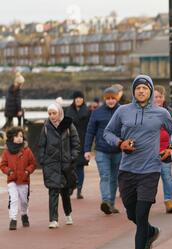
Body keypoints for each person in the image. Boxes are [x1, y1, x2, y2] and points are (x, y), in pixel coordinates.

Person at [104, 75, 172, 249]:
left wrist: (170, 147)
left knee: (142, 214)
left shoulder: (161, 113)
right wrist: (120, 143)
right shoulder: (122, 111)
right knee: (131, 214)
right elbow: (107, 132)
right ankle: (151, 231)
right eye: (138, 88)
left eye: (145, 88)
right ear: (133, 91)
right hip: (127, 170)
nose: (141, 91)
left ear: (151, 91)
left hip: (150, 171)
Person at [38, 103, 81, 229]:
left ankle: (68, 214)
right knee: (53, 191)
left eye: (54, 113)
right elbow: (41, 145)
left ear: (60, 113)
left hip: (65, 165)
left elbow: (76, 143)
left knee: (65, 192)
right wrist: (42, 160)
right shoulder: (46, 127)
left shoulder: (68, 125)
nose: (51, 116)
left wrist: (72, 157)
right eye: (49, 113)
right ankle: (53, 219)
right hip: (50, 164)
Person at [84, 87, 122, 215]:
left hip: (118, 150)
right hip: (102, 150)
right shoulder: (97, 113)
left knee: (114, 178)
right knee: (105, 176)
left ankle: (111, 203)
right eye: (108, 98)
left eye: (113, 98)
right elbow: (90, 131)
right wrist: (87, 150)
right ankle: (105, 201)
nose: (111, 101)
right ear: (104, 99)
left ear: (117, 98)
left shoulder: (123, 111)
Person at [154, 85, 172, 214]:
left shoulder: (170, 113)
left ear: (164, 97)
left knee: (166, 176)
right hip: (148, 152)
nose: (157, 99)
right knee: (150, 179)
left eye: (160, 97)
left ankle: (168, 201)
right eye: (155, 97)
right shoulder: (145, 112)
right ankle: (146, 201)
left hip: (166, 150)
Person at [0, 127, 36, 230]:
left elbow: (33, 164)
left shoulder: (27, 150)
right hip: (12, 180)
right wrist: (9, 172)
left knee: (24, 201)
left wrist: (27, 171)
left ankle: (24, 215)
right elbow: (2, 165)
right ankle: (13, 219)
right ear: (12, 138)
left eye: (21, 136)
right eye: (16, 136)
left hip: (24, 180)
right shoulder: (7, 152)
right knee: (14, 200)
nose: (19, 138)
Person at [64, 91, 91, 199]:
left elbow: (90, 127)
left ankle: (79, 189)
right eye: (76, 98)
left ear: (83, 99)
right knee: (71, 166)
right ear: (74, 100)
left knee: (80, 167)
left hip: (83, 141)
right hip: (70, 141)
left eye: (80, 98)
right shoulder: (68, 110)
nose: (78, 100)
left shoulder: (88, 111)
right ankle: (71, 187)